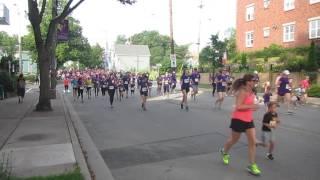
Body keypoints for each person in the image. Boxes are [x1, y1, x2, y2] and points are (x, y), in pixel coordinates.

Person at [220, 74, 261, 176]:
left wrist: (254, 106)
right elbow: (238, 106)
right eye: (253, 80)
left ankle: (252, 165)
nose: (255, 82)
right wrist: (252, 106)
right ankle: (224, 151)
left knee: (252, 142)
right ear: (247, 81)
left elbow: (249, 105)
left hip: (249, 120)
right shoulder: (243, 91)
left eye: (256, 80)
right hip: (238, 119)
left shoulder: (252, 91)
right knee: (234, 140)